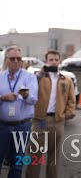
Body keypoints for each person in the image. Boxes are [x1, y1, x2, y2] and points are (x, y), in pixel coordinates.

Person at [25, 50, 76, 178]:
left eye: (56, 59)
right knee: (34, 154)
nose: (53, 62)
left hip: (57, 120)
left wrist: (67, 114)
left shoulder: (67, 80)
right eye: (50, 60)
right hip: (39, 120)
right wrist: (41, 72)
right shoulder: (39, 77)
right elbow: (30, 89)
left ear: (59, 61)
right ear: (46, 61)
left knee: (54, 156)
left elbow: (71, 100)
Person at [0, 46, 38, 178]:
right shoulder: (0, 77)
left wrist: (25, 95)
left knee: (17, 164)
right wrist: (2, 98)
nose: (16, 61)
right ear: (6, 60)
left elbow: (33, 100)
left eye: (19, 58)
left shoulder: (29, 77)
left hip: (22, 126)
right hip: (2, 126)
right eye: (12, 58)